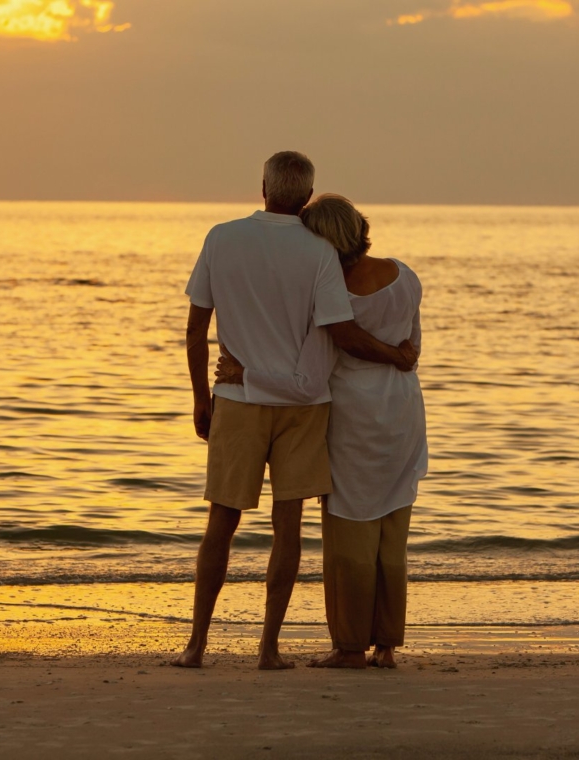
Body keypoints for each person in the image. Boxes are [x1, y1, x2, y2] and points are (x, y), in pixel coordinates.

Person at [174, 153, 418, 670]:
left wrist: (201, 397)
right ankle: (268, 648)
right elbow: (336, 329)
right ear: (306, 197)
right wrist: (398, 355)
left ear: (262, 185)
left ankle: (196, 645)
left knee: (221, 523)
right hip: (306, 409)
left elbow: (197, 329)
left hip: (239, 402)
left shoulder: (221, 237)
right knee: (289, 528)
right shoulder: (321, 253)